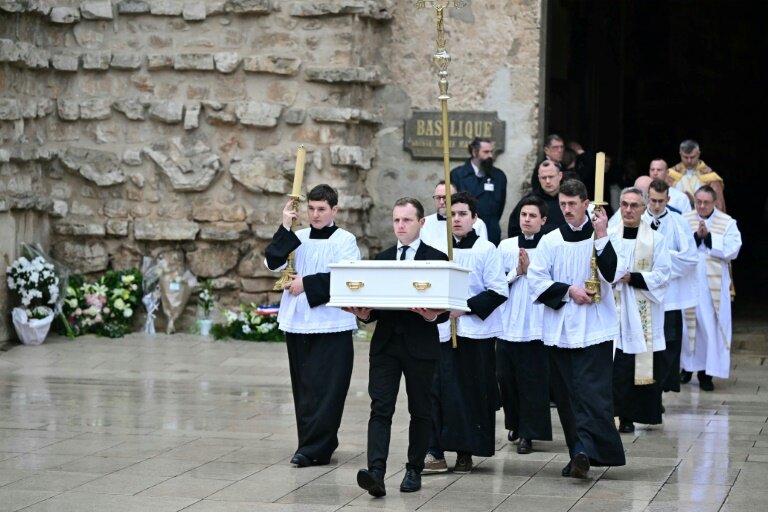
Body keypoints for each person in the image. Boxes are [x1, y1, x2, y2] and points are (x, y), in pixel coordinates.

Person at [347, 198, 449, 497]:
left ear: (421, 223)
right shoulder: (383, 257)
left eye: (406, 220)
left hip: (421, 345)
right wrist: (364, 313)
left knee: (420, 410)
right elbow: (377, 303)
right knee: (380, 408)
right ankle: (375, 472)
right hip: (386, 345)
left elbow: (445, 305)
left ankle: (414, 469)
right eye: (396, 220)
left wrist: (435, 315)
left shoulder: (437, 259)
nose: (400, 226)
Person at [527, 179, 625, 478]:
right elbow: (536, 279)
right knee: (568, 395)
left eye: (572, 204)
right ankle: (577, 452)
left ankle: (588, 450)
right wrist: (570, 290)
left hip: (595, 327)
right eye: (563, 204)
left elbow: (613, 273)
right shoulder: (550, 240)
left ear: (586, 204)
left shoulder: (604, 236)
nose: (567, 210)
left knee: (592, 394)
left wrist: (602, 235)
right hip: (560, 330)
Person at [264, 184, 360, 468]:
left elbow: (347, 277)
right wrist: (284, 227)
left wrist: (307, 283)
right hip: (298, 321)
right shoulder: (298, 237)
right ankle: (307, 444)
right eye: (311, 209)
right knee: (304, 387)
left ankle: (319, 447)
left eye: (321, 210)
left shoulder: (346, 240)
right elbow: (272, 262)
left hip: (332, 322)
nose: (315, 215)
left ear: (334, 210)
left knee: (328, 387)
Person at [425, 192, 508, 474]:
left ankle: (465, 451)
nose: (456, 219)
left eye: (462, 214)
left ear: (474, 218)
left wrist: (465, 308)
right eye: (452, 214)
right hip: (442, 333)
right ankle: (434, 451)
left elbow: (498, 291)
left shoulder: (486, 250)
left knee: (469, 394)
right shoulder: (438, 248)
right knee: (438, 391)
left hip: (474, 334)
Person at [610, 187, 671, 434]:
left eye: (634, 205)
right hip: (613, 309)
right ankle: (611, 413)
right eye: (624, 204)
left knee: (635, 364)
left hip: (641, 307)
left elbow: (664, 274)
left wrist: (632, 277)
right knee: (616, 365)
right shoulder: (608, 236)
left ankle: (629, 415)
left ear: (644, 207)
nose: (628, 210)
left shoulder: (656, 239)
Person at [497, 195, 552, 454]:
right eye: (523, 215)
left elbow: (553, 282)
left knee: (533, 380)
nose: (527, 220)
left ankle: (529, 433)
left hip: (537, 322)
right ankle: (515, 423)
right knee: (506, 378)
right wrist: (516, 273)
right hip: (509, 321)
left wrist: (531, 272)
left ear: (543, 220)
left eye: (532, 216)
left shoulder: (550, 247)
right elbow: (496, 283)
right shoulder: (506, 246)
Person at [680, 185, 742, 391]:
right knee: (687, 327)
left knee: (709, 328)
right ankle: (686, 368)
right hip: (688, 284)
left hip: (712, 288)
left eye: (706, 202)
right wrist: (696, 237)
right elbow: (675, 247)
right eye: (698, 202)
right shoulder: (684, 219)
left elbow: (734, 249)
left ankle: (706, 374)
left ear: (714, 202)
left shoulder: (727, 222)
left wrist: (708, 238)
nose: (702, 206)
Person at [642, 179, 699, 395]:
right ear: (647, 197)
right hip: (644, 292)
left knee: (670, 342)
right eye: (652, 201)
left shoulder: (679, 222)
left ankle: (661, 387)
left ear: (668, 199)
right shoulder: (635, 218)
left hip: (670, 295)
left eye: (660, 201)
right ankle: (647, 391)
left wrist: (661, 264)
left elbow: (689, 258)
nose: (656, 206)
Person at [450, 138, 507, 245]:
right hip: (465, 231)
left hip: (490, 230)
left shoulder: (499, 176)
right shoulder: (457, 175)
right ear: (474, 152)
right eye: (486, 152)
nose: (490, 156)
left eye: (491, 152)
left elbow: (500, 206)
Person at [421, 180, 488, 253]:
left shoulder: (477, 223)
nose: (441, 202)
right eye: (437, 197)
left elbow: (483, 251)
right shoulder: (424, 223)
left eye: (446, 197)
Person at [508, 160, 566, 238]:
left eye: (551, 177)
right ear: (538, 178)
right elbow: (514, 232)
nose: (547, 181)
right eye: (544, 178)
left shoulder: (570, 200)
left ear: (560, 176)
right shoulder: (529, 202)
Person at [668, 140, 726, 212]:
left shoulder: (711, 177)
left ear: (698, 154)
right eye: (685, 157)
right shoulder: (670, 175)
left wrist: (694, 202)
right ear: (680, 154)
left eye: (692, 157)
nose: (689, 160)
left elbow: (718, 205)